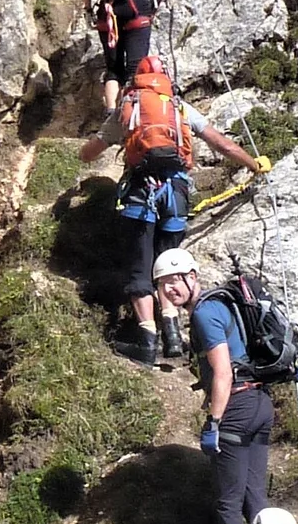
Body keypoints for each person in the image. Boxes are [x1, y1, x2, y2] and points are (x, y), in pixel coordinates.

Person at [80, 60, 264, 368]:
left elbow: (90, 152)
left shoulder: (130, 106)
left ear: (137, 81)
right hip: (176, 195)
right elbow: (222, 144)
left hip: (141, 192)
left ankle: (147, 342)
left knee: (141, 267)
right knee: (168, 264)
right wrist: (254, 164)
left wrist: (81, 153)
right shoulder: (179, 108)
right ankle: (173, 334)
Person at [151, 252, 272, 524]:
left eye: (173, 281)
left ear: (192, 276)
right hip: (260, 403)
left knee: (228, 501)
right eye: (163, 286)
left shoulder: (205, 315)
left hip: (237, 407)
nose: (168, 291)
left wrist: (214, 422)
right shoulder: (224, 304)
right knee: (254, 495)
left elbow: (223, 372)